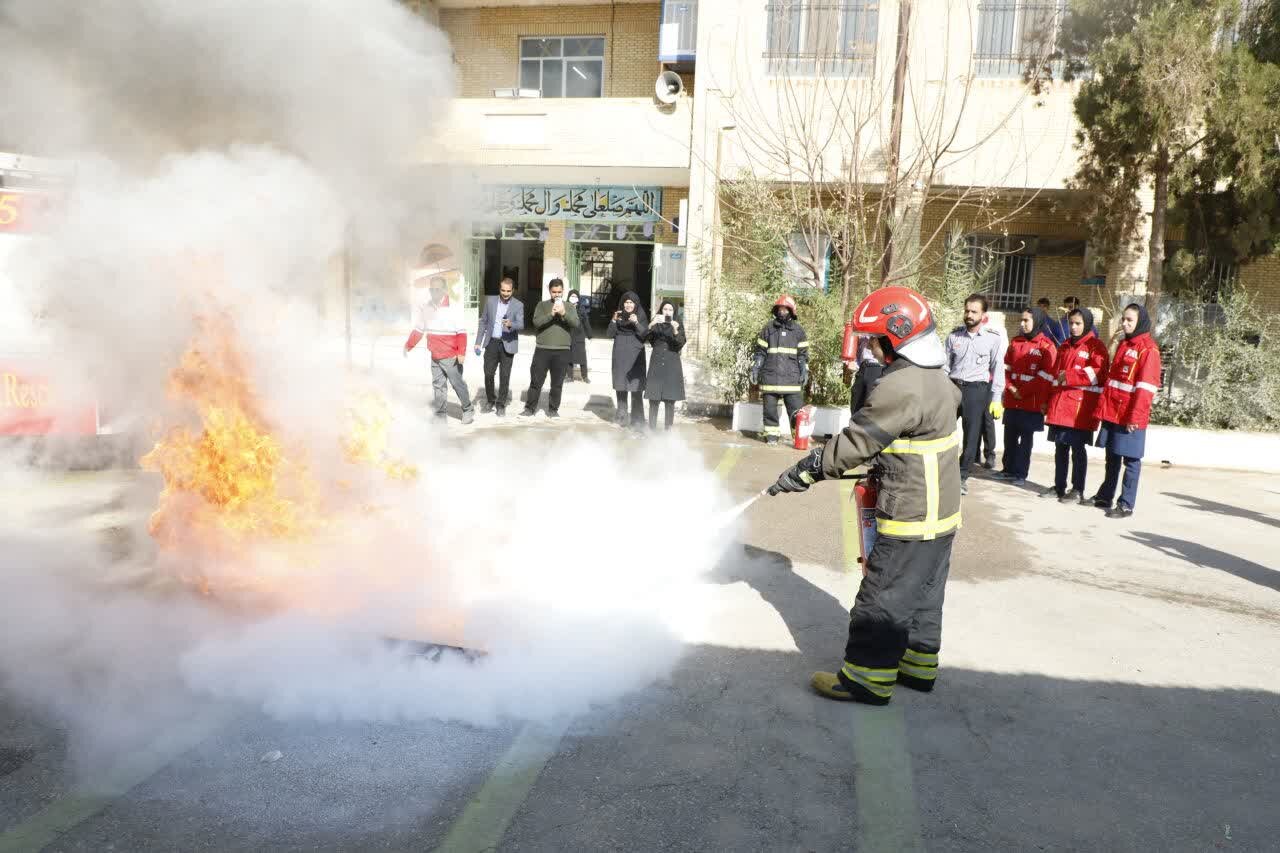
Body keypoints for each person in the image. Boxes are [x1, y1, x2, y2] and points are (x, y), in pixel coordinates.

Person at [768, 286, 961, 706]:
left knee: (883, 597)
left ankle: (866, 679)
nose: (871, 348)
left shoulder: (901, 387)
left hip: (910, 513)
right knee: (924, 594)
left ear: (897, 337)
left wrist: (807, 469)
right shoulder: (939, 380)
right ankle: (918, 666)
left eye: (875, 340)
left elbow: (857, 441)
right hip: (942, 515)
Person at [1091, 304, 1162, 519]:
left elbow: (1146, 388)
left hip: (1130, 415)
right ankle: (1105, 495)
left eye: (1129, 320)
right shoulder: (1124, 344)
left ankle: (1126, 504)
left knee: (1131, 460)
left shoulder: (1149, 349)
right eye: (1124, 319)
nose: (1125, 323)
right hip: (1113, 410)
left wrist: (1135, 417)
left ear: (1140, 322)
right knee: (1111, 456)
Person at [1043, 307, 1108, 503]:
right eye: (1071, 323)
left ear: (1087, 324)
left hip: (1079, 410)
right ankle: (1059, 486)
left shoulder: (1095, 347)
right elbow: (1055, 376)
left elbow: (1098, 374)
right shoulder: (1064, 346)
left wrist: (1069, 376)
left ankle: (1077, 489)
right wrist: (1048, 401)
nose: (1073, 327)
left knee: (1077, 450)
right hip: (1060, 406)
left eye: (1078, 323)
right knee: (1060, 448)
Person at [944, 294, 1005, 493]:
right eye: (967, 311)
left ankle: (962, 476)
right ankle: (943, 471)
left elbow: (998, 370)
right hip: (953, 388)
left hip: (976, 391)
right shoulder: (954, 336)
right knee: (943, 431)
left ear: (983, 315)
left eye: (974, 312)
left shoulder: (992, 339)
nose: (969, 315)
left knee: (971, 437)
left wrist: (996, 398)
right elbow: (945, 366)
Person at [994, 306, 1058, 486]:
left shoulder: (1046, 346)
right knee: (1010, 437)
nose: (1022, 324)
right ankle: (1007, 470)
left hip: (1031, 402)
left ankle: (1020, 473)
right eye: (1021, 320)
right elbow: (1005, 369)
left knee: (1026, 440)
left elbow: (1046, 376)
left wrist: (1024, 391)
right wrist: (1011, 388)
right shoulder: (1015, 343)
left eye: (1026, 320)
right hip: (1013, 399)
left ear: (1036, 321)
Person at [404, 274, 473, 425]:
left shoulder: (454, 308)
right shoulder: (426, 308)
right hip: (435, 355)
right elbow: (419, 330)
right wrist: (408, 345)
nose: (434, 292)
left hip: (451, 357)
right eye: (432, 289)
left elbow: (461, 333)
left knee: (457, 384)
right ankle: (441, 414)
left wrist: (461, 353)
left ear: (444, 290)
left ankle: (468, 409)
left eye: (438, 289)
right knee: (438, 386)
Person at [752, 294, 809, 446]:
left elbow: (803, 355)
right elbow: (760, 352)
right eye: (780, 309)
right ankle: (771, 436)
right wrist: (756, 367)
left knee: (797, 413)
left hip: (792, 379)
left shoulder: (798, 331)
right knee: (769, 411)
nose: (782, 312)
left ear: (792, 311)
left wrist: (804, 370)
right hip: (770, 378)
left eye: (785, 309)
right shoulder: (768, 329)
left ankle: (799, 439)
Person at [519, 278, 578, 419]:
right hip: (542, 349)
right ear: (549, 291)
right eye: (554, 292)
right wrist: (551, 314)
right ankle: (529, 408)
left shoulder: (569, 306)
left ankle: (553, 410)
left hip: (562, 350)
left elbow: (576, 323)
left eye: (559, 292)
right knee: (536, 381)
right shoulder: (542, 305)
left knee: (557, 383)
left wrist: (564, 313)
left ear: (563, 291)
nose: (557, 295)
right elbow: (536, 322)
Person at [474, 277, 524, 417]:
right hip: (492, 342)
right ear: (499, 288)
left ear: (512, 290)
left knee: (505, 375)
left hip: (508, 343)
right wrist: (478, 341)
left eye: (508, 291)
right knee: (488, 373)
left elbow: (521, 324)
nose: (505, 293)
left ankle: (501, 404)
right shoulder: (490, 301)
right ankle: (490, 399)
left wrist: (511, 324)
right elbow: (483, 322)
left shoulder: (518, 305)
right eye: (503, 290)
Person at [607, 291, 649, 430]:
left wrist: (636, 322)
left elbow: (645, 335)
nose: (628, 305)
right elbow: (609, 334)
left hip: (636, 356)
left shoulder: (641, 316)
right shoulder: (618, 317)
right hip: (620, 355)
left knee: (635, 388)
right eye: (626, 302)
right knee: (621, 387)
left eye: (631, 302)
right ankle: (621, 418)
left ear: (635, 304)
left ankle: (637, 421)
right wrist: (613, 320)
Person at [644, 299, 686, 430]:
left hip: (671, 365)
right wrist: (651, 325)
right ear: (661, 310)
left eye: (670, 310)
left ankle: (668, 432)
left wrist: (675, 329)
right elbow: (644, 338)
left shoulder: (678, 324)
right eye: (665, 309)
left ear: (674, 312)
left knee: (669, 400)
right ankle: (651, 430)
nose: (667, 312)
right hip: (656, 363)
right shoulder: (655, 324)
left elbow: (680, 344)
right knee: (654, 399)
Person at [977, 311, 1005, 470]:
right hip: (972, 382)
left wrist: (997, 394)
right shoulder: (967, 327)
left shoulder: (995, 330)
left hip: (988, 382)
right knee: (972, 419)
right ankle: (973, 452)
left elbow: (999, 361)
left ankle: (990, 454)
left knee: (987, 419)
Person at [847, 336, 883, 417]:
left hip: (877, 367)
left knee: (871, 402)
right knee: (856, 400)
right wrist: (851, 360)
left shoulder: (870, 328)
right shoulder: (860, 332)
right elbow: (856, 345)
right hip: (863, 367)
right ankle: (854, 427)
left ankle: (869, 428)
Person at [567, 289, 591, 382]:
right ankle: (569, 376)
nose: (573, 298)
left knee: (582, 357)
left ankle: (584, 376)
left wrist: (589, 334)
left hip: (579, 335)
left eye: (575, 296)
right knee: (569, 357)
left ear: (578, 298)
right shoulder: (565, 307)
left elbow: (586, 322)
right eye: (572, 296)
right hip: (568, 335)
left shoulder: (581, 308)